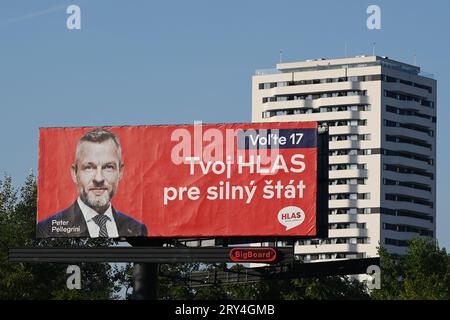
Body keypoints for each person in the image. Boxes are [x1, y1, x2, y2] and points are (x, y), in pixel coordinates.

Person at [37, 128, 148, 238]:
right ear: (74, 173)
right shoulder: (47, 229)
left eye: (108, 167)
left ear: (120, 172)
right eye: (89, 167)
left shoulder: (137, 229)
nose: (98, 178)